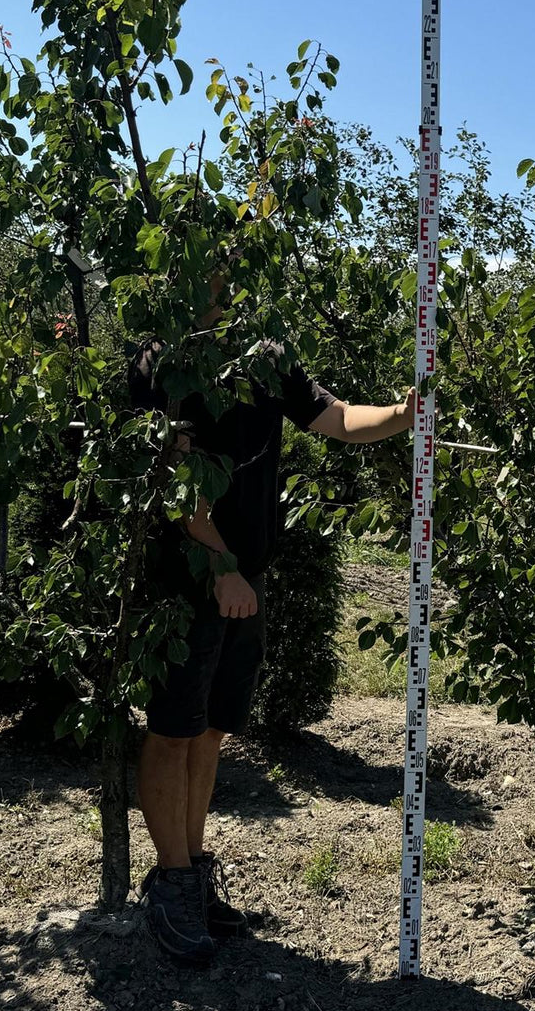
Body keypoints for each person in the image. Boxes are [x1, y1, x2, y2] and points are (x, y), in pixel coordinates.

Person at [129, 272, 414, 966]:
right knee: (172, 730)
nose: (223, 279)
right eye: (211, 264)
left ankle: (193, 868)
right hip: (187, 577)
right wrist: (218, 563)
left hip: (243, 579)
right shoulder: (161, 360)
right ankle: (167, 883)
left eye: (233, 266)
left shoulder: (264, 355)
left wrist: (406, 414)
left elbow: (337, 418)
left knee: (211, 729)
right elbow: (172, 474)